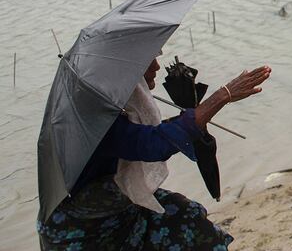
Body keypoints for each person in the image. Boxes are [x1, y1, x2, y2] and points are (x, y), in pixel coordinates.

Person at [37, 56, 271, 250]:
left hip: (122, 212)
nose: (157, 66)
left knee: (186, 216)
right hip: (84, 231)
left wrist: (196, 114)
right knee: (183, 218)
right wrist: (221, 96)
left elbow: (148, 135)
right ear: (125, 70)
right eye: (148, 60)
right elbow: (151, 144)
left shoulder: (113, 107)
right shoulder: (92, 120)